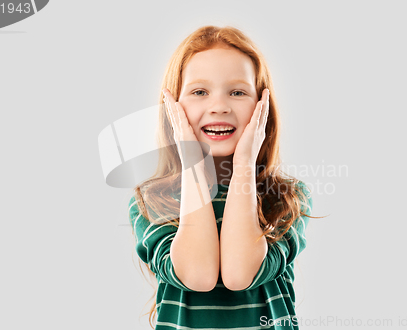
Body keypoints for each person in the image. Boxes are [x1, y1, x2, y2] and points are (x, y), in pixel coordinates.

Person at [128, 25, 314, 330]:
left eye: (238, 92)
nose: (219, 107)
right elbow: (198, 275)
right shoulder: (153, 201)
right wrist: (192, 162)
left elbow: (240, 275)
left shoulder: (287, 198)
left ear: (261, 106)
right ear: (173, 107)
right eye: (199, 92)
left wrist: (243, 165)